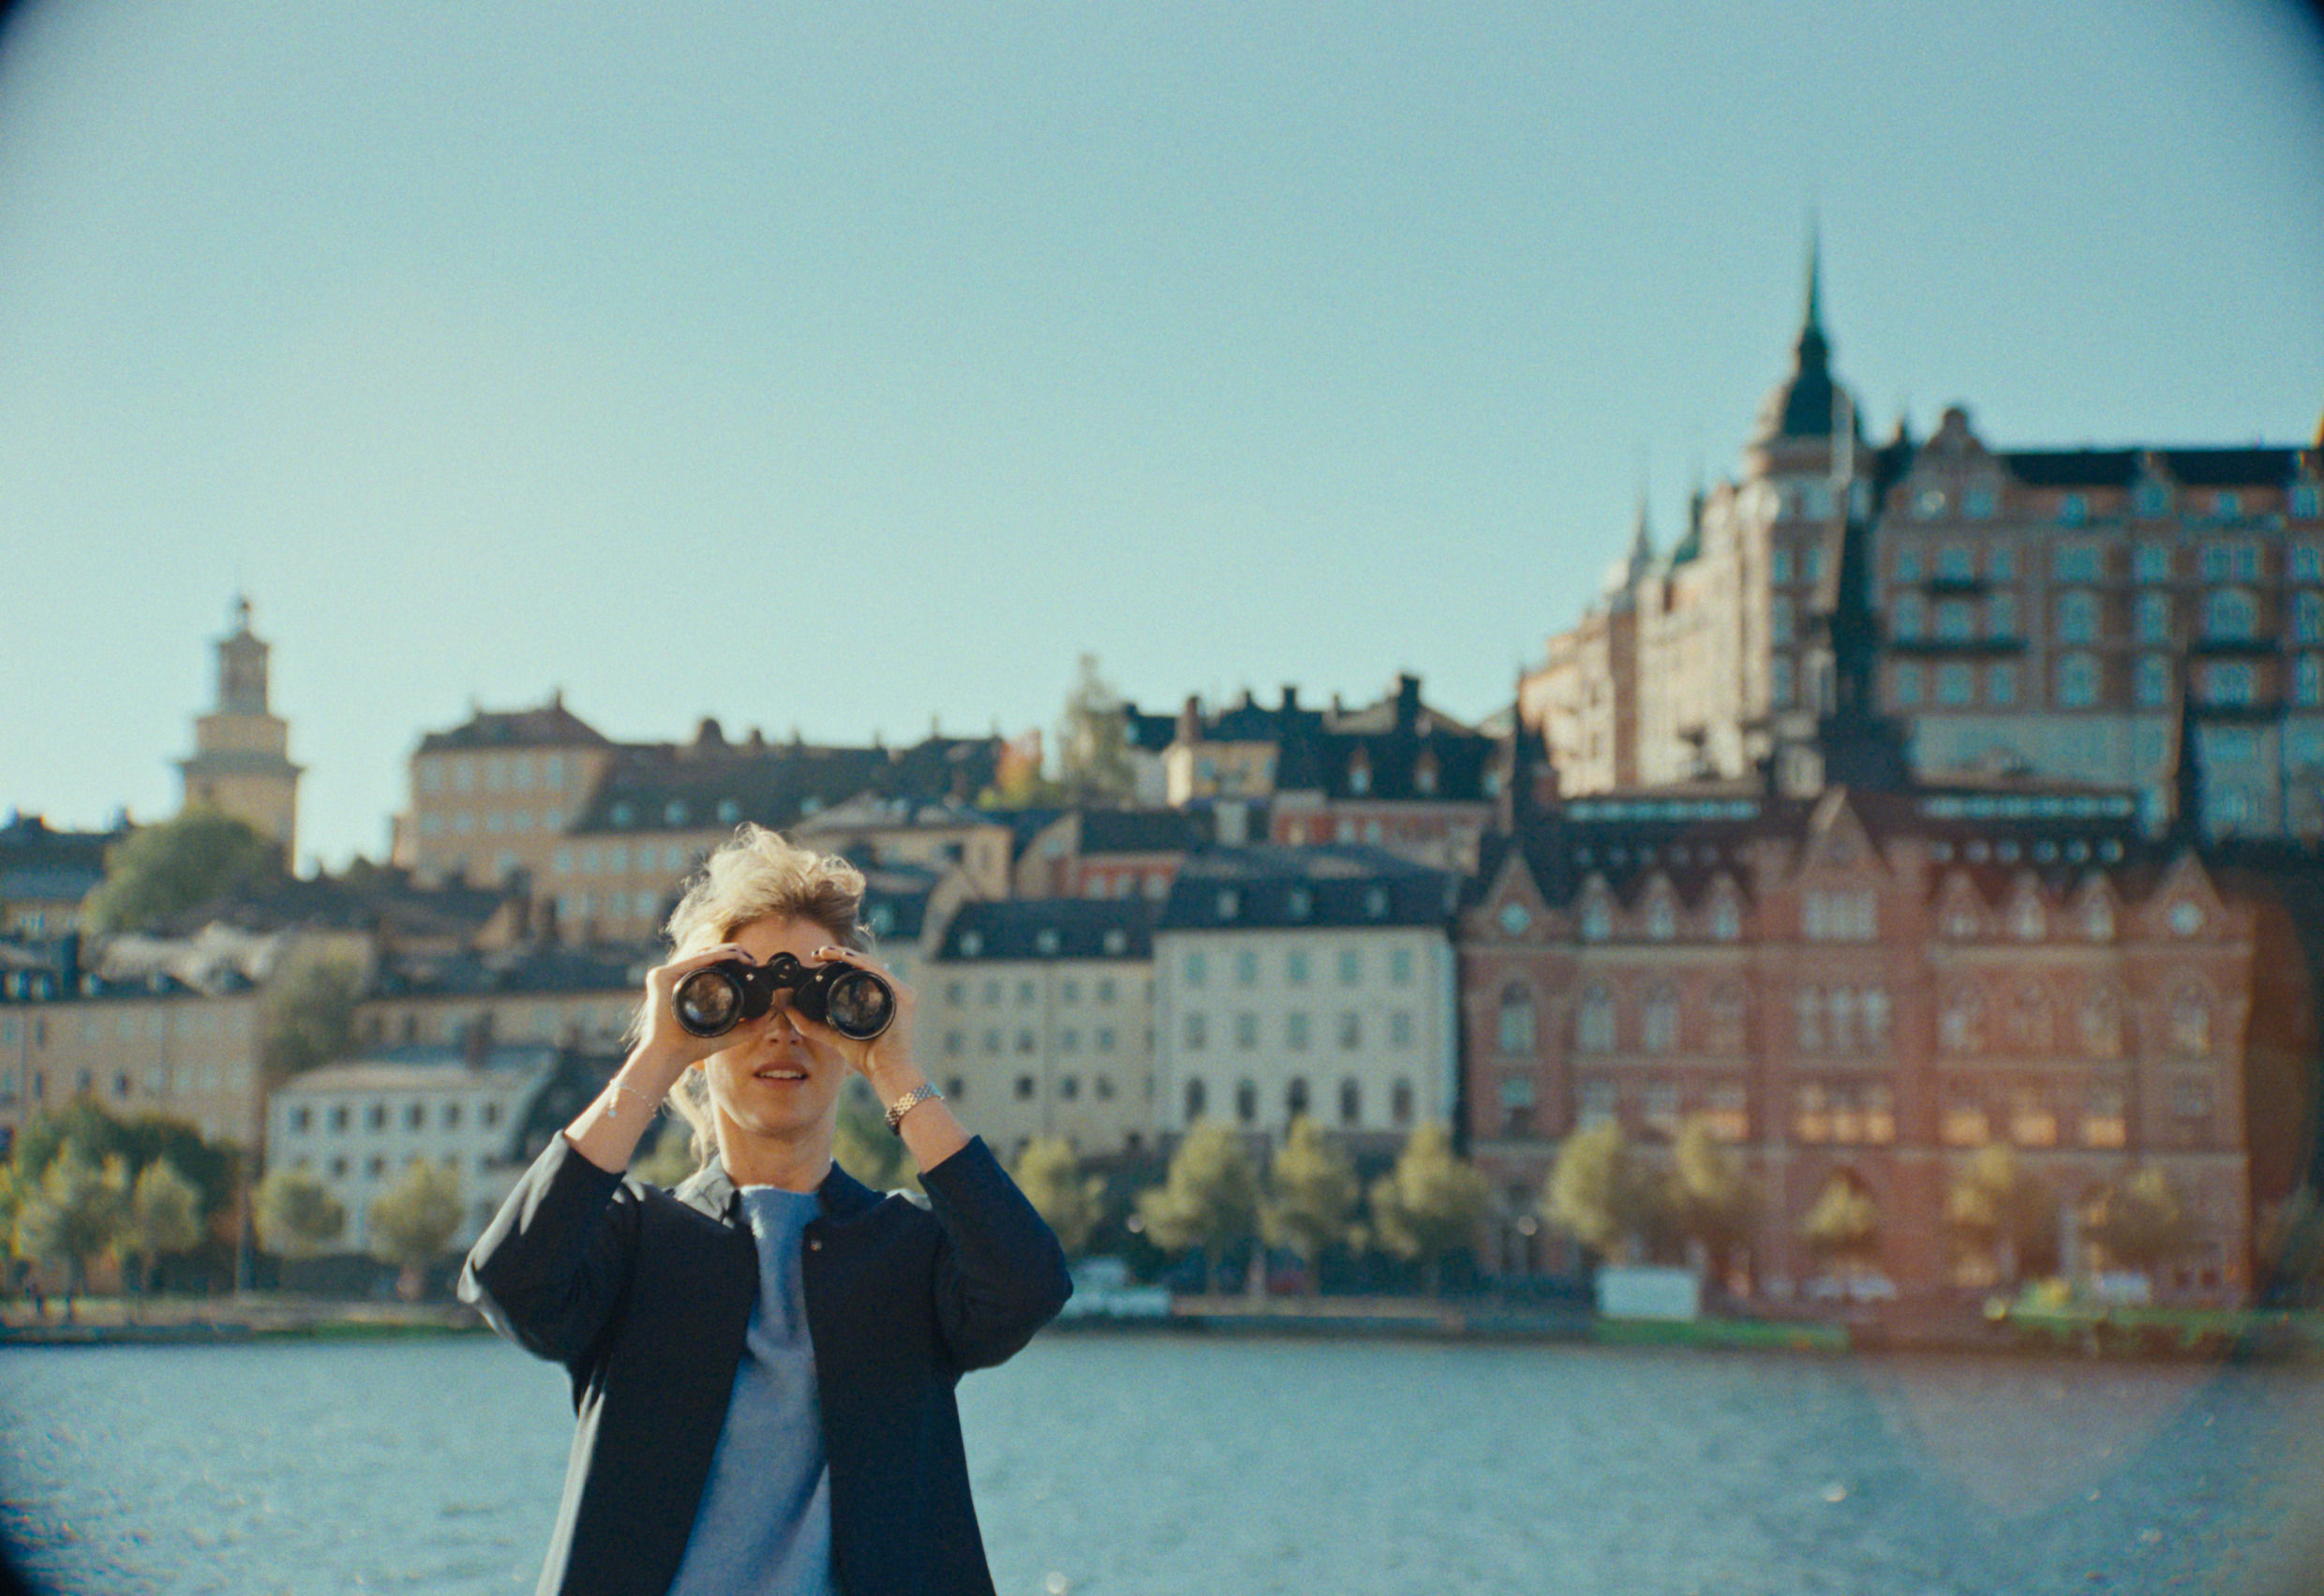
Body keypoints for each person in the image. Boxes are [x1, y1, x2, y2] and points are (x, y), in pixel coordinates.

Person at [462, 825, 1071, 1596]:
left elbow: (1029, 1285)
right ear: (701, 1023)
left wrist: (896, 1068)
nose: (784, 1028)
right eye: (740, 999)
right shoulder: (637, 1238)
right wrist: (656, 1055)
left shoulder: (906, 1247)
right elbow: (511, 1284)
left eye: (819, 1000)